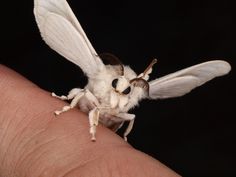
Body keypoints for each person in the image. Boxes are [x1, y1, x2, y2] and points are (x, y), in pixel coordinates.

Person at [0, 65, 180, 177]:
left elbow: (129, 116)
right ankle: (66, 104)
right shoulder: (105, 81)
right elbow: (89, 98)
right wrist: (69, 108)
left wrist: (125, 137)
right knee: (82, 92)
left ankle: (121, 137)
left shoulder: (130, 95)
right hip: (87, 109)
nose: (121, 92)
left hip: (108, 129)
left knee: (130, 116)